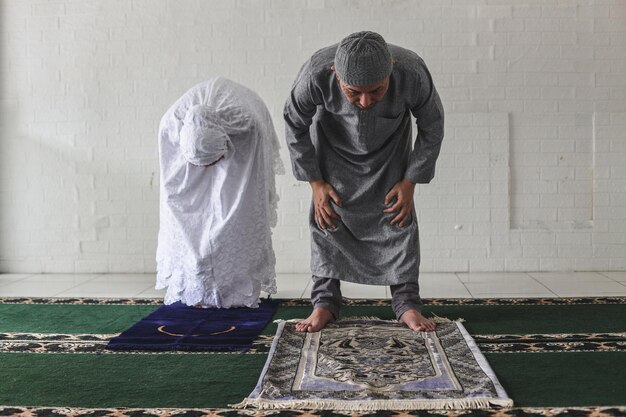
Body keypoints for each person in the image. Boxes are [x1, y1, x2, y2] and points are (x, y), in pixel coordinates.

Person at [284, 31, 444, 332]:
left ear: (391, 71)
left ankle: (407, 304)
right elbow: (294, 123)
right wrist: (315, 182)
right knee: (327, 218)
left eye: (376, 90)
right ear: (335, 72)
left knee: (398, 219)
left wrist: (410, 181)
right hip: (333, 152)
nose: (365, 101)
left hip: (390, 155)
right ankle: (324, 304)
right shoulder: (315, 72)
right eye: (353, 92)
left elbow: (433, 125)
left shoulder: (412, 71)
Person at [156, 77, 283, 308]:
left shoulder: (247, 125)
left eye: (212, 161)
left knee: (235, 216)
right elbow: (173, 193)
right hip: (186, 147)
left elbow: (245, 199)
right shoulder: (171, 126)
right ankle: (196, 284)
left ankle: (234, 290)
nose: (208, 169)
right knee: (188, 219)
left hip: (243, 144)